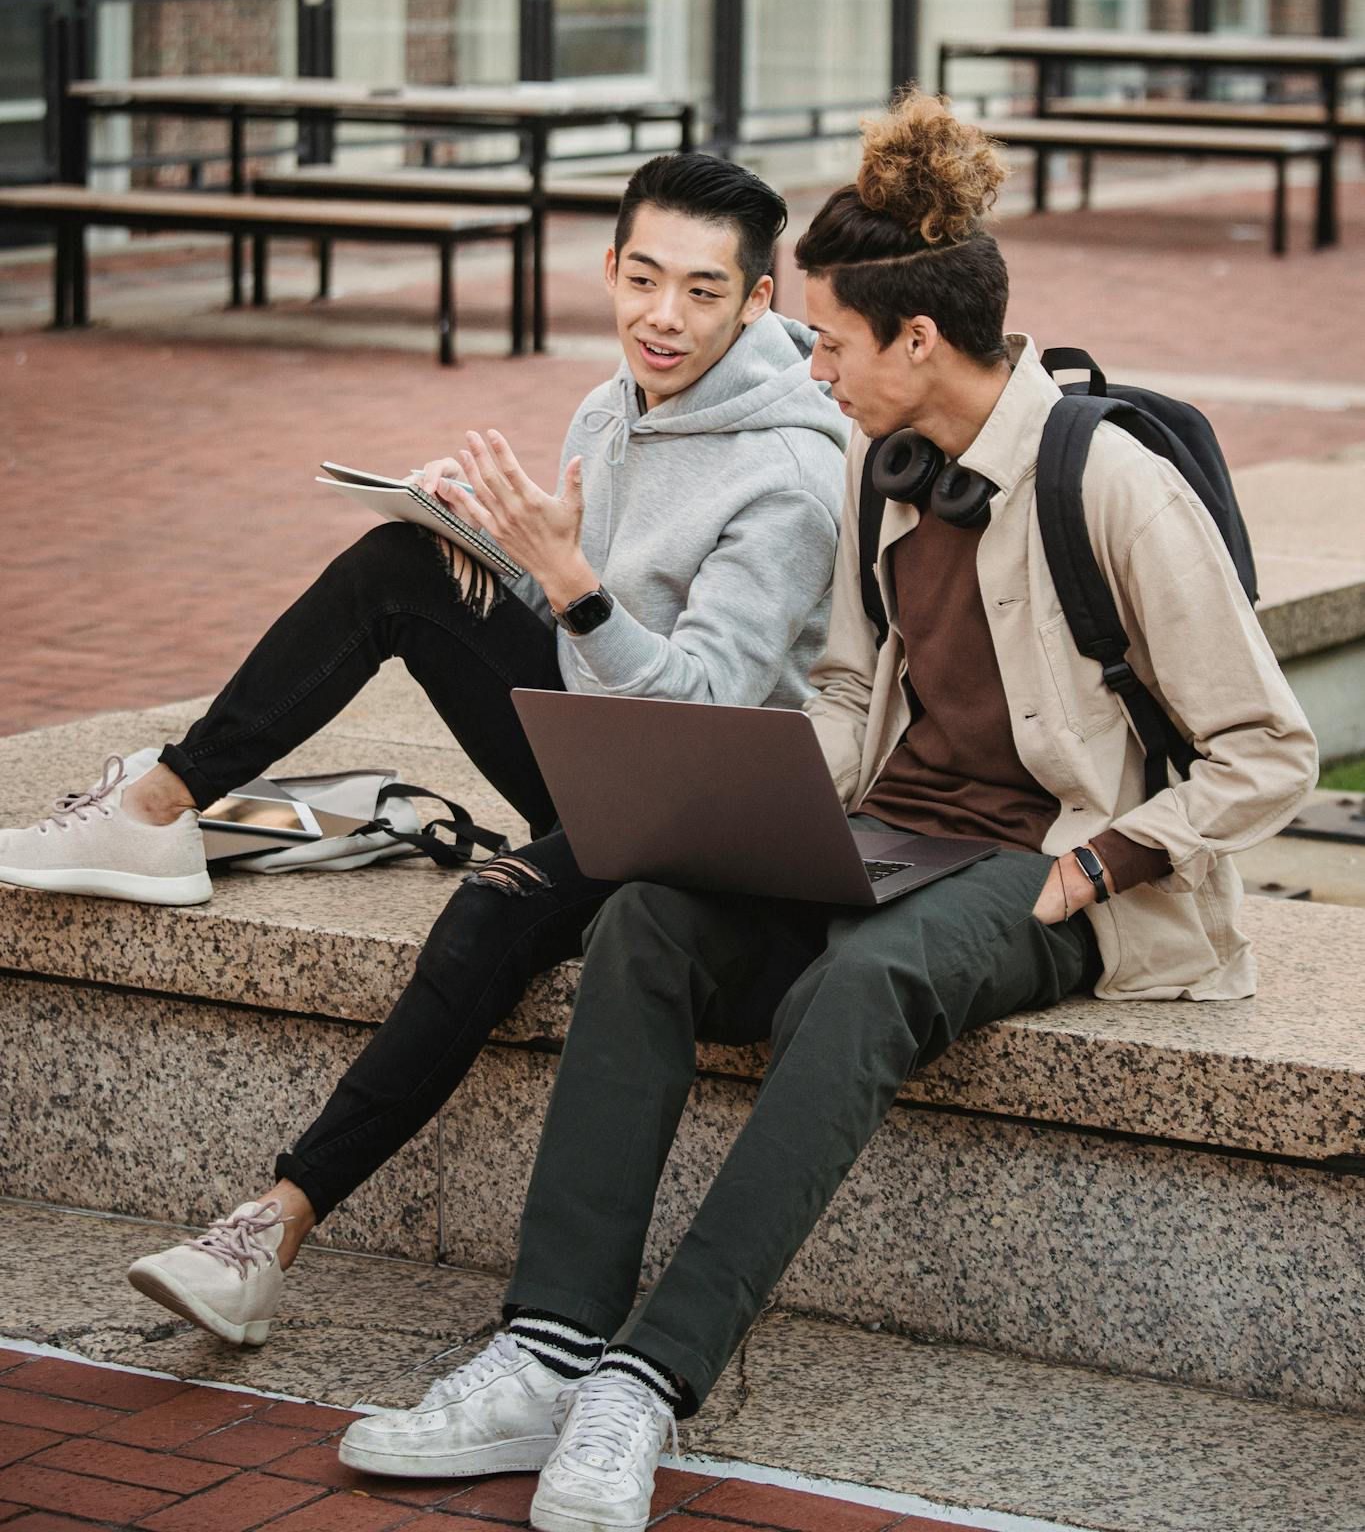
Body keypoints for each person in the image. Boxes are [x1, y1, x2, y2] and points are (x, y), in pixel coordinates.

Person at [335, 92, 1319, 1531]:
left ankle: (645, 1387)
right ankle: (547, 1347)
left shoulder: (1111, 484)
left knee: (864, 986)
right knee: (652, 920)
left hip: (1045, 865)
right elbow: (854, 691)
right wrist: (749, 796)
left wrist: (1106, 859)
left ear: (914, 342)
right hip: (886, 832)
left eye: (830, 341)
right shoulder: (878, 463)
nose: (805, 360)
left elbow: (1269, 747)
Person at [0, 150, 849, 1349]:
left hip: (691, 810)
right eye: (644, 277)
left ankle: (271, 1226)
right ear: (608, 266)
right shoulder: (618, 403)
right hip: (593, 738)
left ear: (759, 300)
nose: (664, 316)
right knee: (403, 569)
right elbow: (573, 616)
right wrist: (484, 541)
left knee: (489, 910)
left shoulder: (789, 473)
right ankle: (155, 807)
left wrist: (569, 584)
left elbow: (701, 703)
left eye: (704, 292)